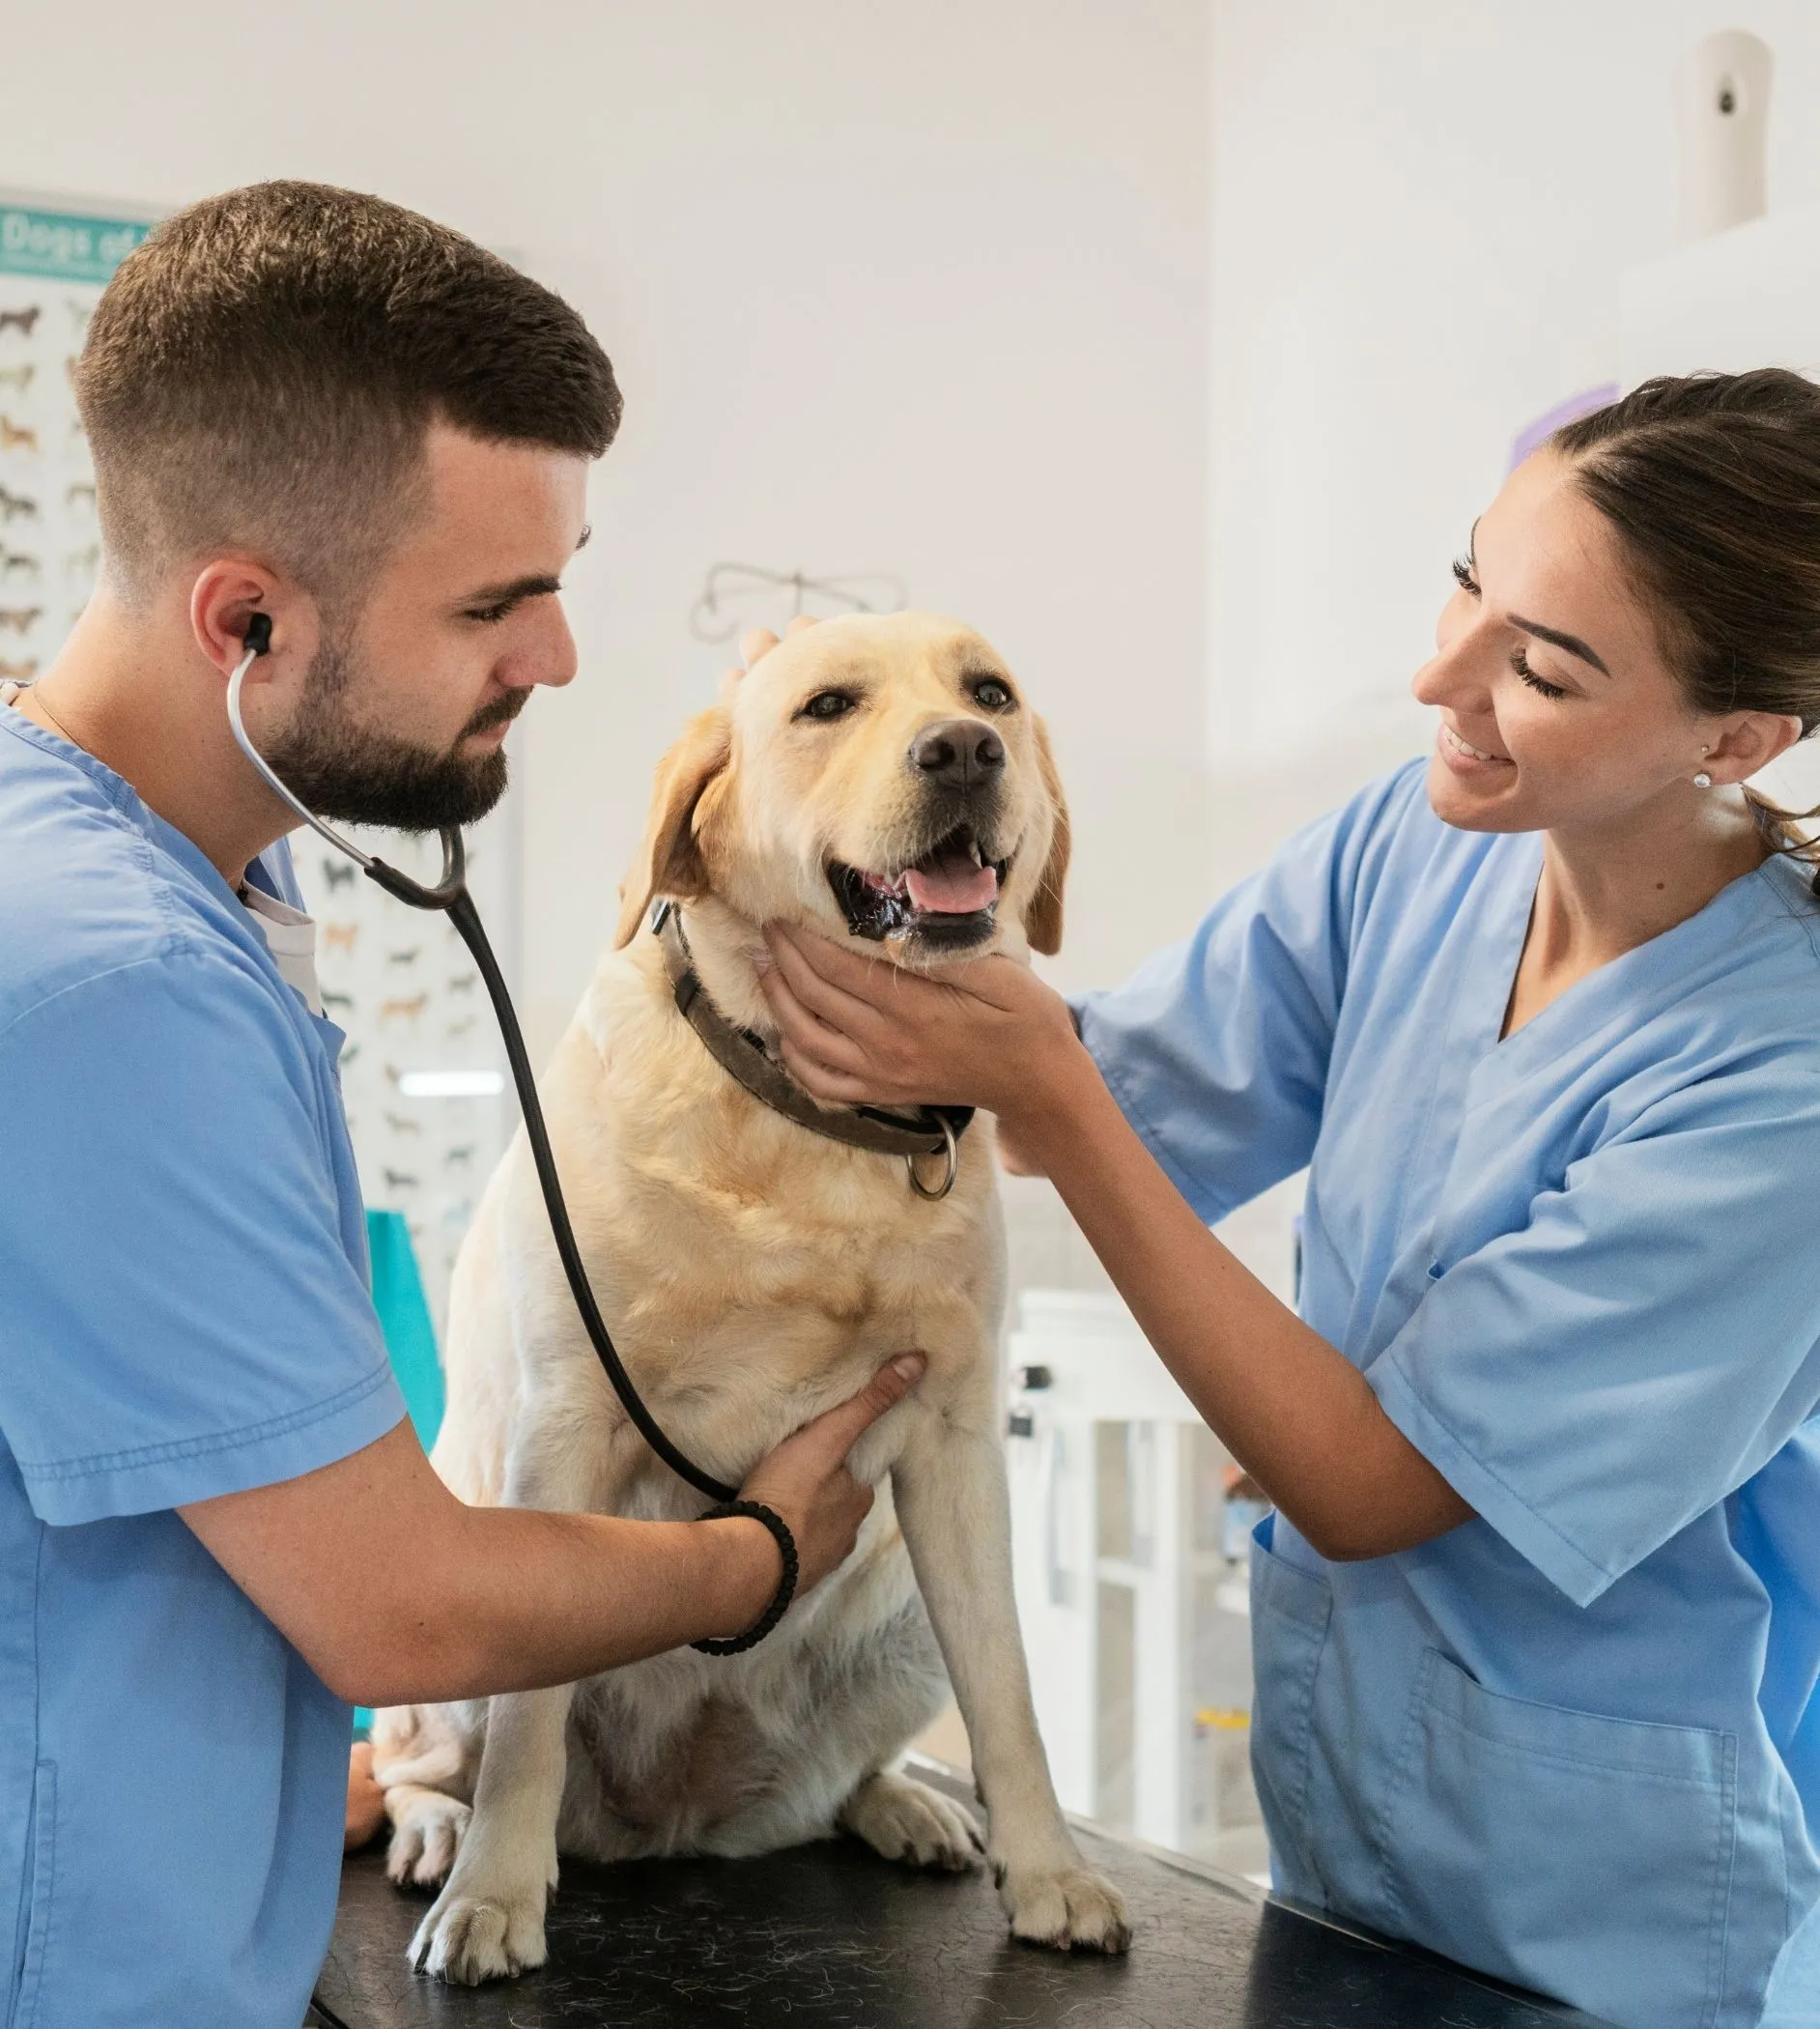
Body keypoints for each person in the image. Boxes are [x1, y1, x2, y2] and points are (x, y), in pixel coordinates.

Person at [755, 370, 1820, 2029]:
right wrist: (858, 926)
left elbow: (1368, 1487)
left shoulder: (1779, 1082)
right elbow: (1113, 1098)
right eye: (1471, 580)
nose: (1437, 680)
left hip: (1593, 1906)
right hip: (1347, 1835)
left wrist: (1038, 1079)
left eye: (1539, 667)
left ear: (1739, 740)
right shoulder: (1425, 842)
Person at [0, 182, 925, 2029]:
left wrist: (253, 1767)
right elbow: (400, 1610)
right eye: (501, 603)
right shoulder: (118, 981)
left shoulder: (182, 890)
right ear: (246, 617)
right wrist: (753, 1560)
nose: (558, 658)